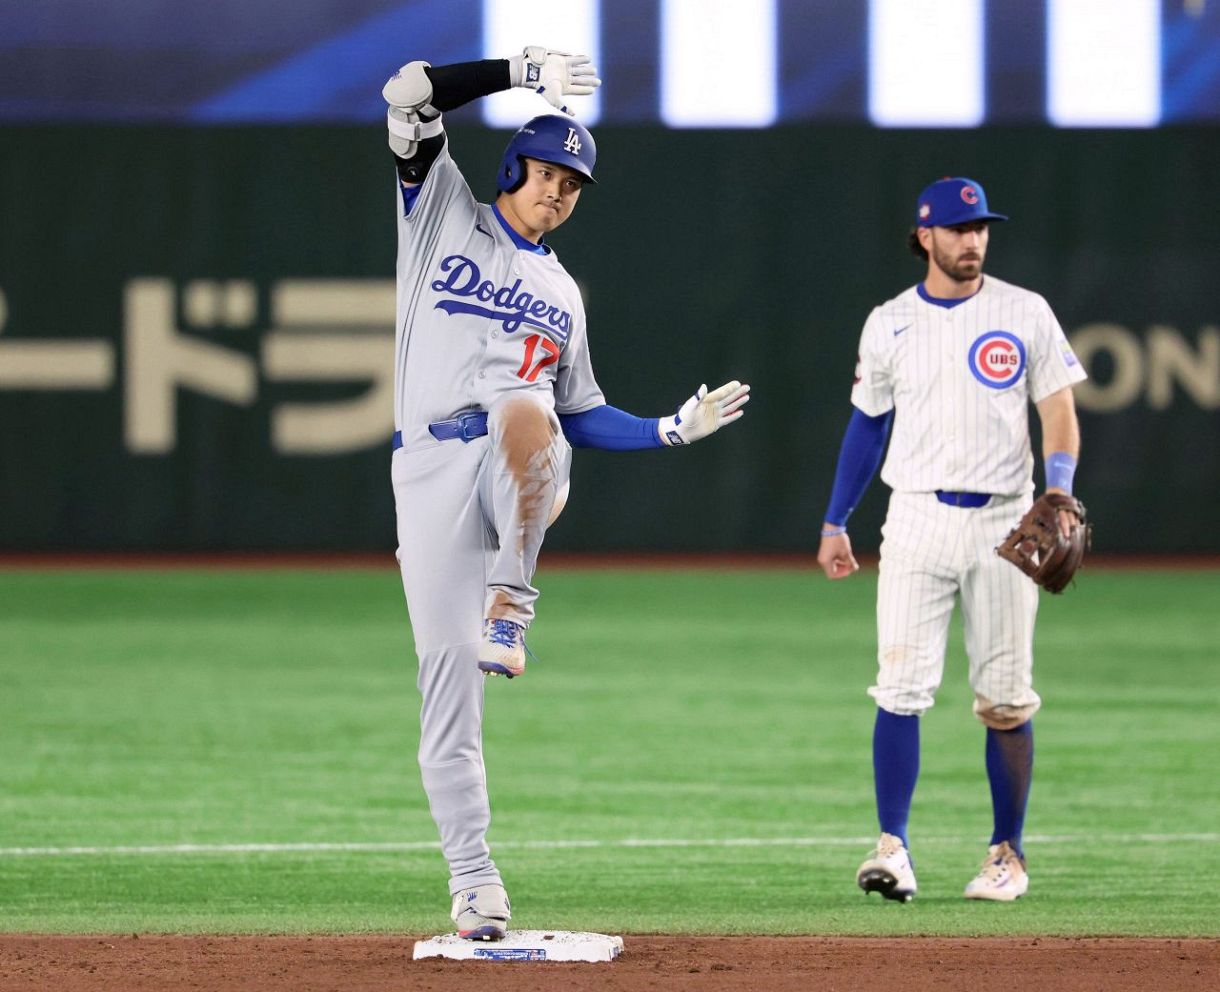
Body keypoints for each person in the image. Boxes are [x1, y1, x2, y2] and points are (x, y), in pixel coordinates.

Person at [382, 47, 750, 939]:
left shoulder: (562, 293)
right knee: (444, 686)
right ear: (512, 169)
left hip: (517, 465)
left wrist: (667, 428)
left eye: (572, 183)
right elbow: (406, 92)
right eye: (546, 172)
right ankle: (473, 881)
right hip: (426, 469)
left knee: (524, 409)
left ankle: (513, 604)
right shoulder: (439, 213)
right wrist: (517, 70)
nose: (557, 191)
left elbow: (576, 413)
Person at [816, 177, 1086, 903]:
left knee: (1004, 698)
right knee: (899, 688)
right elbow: (867, 424)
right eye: (960, 228)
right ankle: (892, 848)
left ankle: (1007, 856)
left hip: (1006, 521)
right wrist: (836, 519)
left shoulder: (1023, 311)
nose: (973, 240)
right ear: (926, 235)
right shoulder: (890, 322)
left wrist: (1057, 486)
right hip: (916, 517)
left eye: (982, 228)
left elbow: (1058, 408)